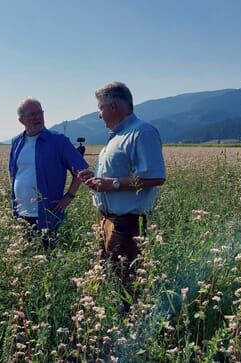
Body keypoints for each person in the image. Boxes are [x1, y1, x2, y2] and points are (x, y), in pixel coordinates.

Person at [77, 82, 167, 306]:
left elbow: (156, 177)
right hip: (107, 219)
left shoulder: (141, 132)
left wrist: (112, 184)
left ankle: (130, 328)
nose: (99, 114)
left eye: (100, 108)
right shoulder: (117, 136)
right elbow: (115, 177)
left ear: (114, 107)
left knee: (127, 283)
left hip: (127, 223)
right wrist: (95, 179)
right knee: (111, 277)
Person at [9, 97, 89, 248]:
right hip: (21, 212)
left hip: (47, 214)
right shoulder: (16, 142)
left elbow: (82, 171)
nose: (38, 117)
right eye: (32, 114)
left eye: (40, 113)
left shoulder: (58, 141)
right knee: (27, 257)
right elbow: (13, 172)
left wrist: (69, 196)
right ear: (21, 120)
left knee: (47, 256)